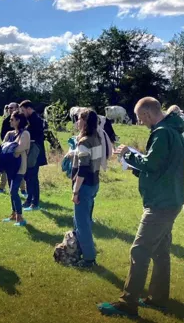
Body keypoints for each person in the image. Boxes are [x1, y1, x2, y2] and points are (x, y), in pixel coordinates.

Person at [98, 97, 184, 318]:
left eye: (139, 118)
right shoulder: (173, 130)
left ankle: (127, 303)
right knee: (161, 252)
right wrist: (137, 166)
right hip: (171, 198)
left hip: (160, 203)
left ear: (147, 114)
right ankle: (157, 298)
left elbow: (152, 164)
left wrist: (128, 154)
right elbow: (160, 166)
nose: (140, 122)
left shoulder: (162, 132)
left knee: (139, 250)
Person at [71, 109, 103, 268]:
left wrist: (75, 191)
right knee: (83, 221)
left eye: (78, 119)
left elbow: (82, 169)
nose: (76, 122)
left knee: (82, 223)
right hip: (94, 183)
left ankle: (89, 259)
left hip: (84, 186)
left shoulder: (84, 142)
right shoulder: (96, 138)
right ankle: (80, 250)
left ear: (84, 122)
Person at [0, 111, 30, 227]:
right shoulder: (10, 133)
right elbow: (3, 146)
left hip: (20, 167)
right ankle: (13, 214)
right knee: (11, 192)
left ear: (18, 121)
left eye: (12, 119)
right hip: (10, 166)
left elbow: (21, 147)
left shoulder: (25, 134)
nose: (10, 121)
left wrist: (11, 148)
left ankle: (20, 217)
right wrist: (11, 147)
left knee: (14, 191)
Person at [20, 100, 47, 211]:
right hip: (30, 152)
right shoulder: (29, 120)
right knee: (28, 177)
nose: (22, 112)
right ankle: (29, 200)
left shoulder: (36, 120)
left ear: (29, 109)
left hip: (35, 152)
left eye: (23, 110)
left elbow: (35, 137)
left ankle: (35, 203)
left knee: (33, 178)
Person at [0, 102, 26, 197]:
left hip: (17, 150)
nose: (9, 109)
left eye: (12, 107)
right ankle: (1, 187)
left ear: (17, 108)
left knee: (19, 170)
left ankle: (23, 190)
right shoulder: (6, 121)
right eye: (8, 108)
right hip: (7, 149)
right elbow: (2, 135)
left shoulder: (22, 120)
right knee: (4, 170)